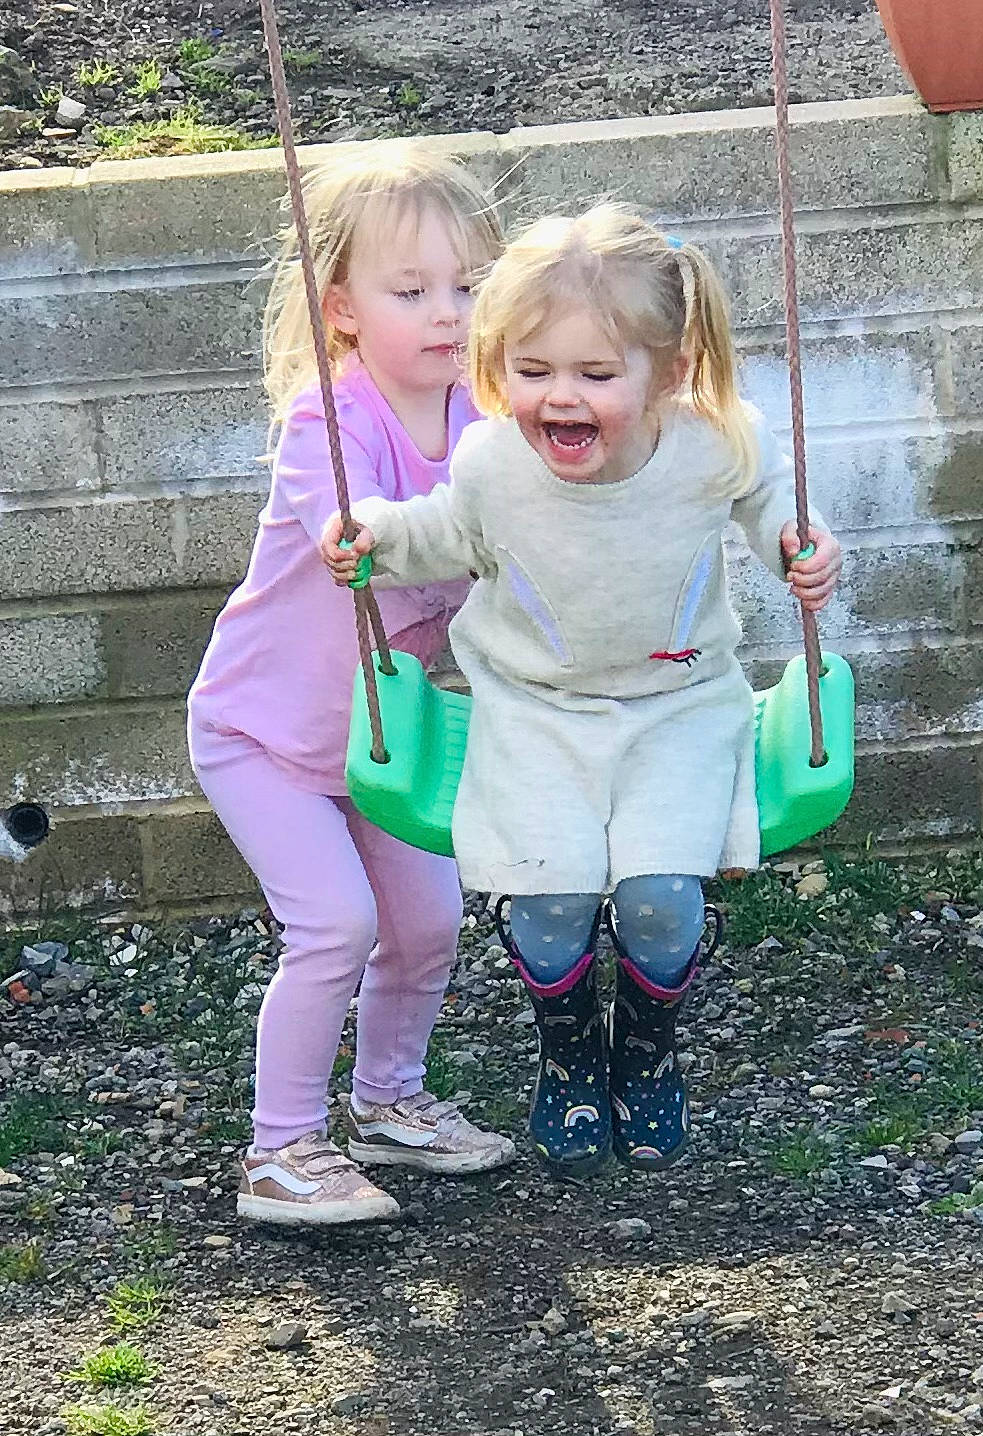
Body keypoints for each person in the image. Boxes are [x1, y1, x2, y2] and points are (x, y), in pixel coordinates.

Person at [323, 203, 842, 1176]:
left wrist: (796, 544)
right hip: (533, 710)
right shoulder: (493, 463)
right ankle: (568, 1054)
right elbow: (443, 532)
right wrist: (376, 540)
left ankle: (645, 1052)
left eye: (596, 375)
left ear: (670, 372)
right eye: (533, 371)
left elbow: (776, 502)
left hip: (679, 711)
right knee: (549, 904)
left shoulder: (713, 443)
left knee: (660, 898)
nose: (560, 397)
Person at [187, 141, 515, 1226]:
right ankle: (280, 1151)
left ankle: (387, 1103)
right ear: (341, 308)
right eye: (412, 289)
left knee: (426, 920)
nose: (449, 313)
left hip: (382, 736)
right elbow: (340, 513)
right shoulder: (329, 422)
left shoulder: (486, 423)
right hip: (265, 737)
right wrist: (351, 530)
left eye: (469, 286)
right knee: (335, 923)